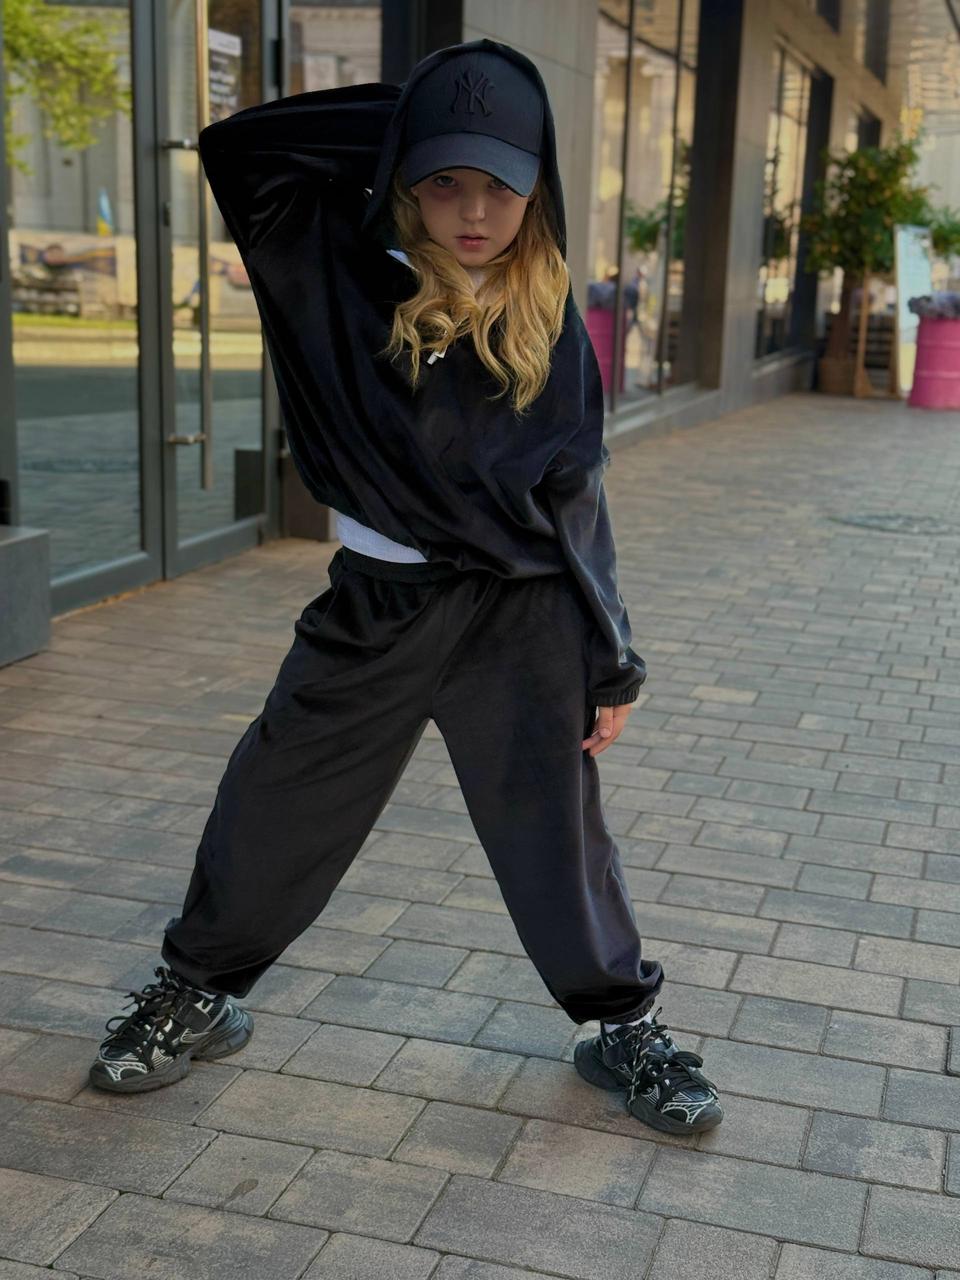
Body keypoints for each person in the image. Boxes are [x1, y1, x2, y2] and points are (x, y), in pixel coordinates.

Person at [87, 38, 722, 1136]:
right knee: (275, 800)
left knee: (555, 833)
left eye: (501, 185)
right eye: (444, 180)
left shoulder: (550, 322)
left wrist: (610, 656)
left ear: (538, 191)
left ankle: (621, 1024)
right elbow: (244, 150)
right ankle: (199, 990)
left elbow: (577, 497)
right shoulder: (330, 271)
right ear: (403, 180)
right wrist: (422, 111)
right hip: (374, 606)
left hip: (521, 615)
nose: (473, 210)